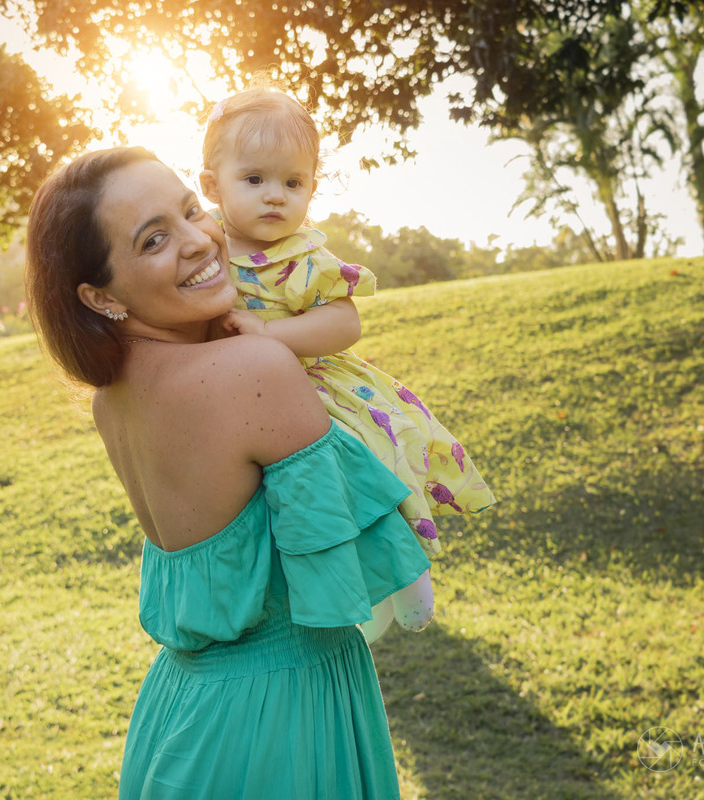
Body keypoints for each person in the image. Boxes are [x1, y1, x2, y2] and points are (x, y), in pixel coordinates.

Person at [25, 146, 430, 799]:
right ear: (100, 296)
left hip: (177, 705)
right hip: (281, 715)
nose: (198, 240)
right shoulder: (253, 369)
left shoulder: (112, 400)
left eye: (191, 211)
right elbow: (355, 567)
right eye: (154, 239)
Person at [198, 87, 495, 639]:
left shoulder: (303, 256)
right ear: (212, 186)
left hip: (312, 387)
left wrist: (270, 333)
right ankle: (330, 593)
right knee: (282, 505)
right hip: (236, 401)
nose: (275, 196)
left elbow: (344, 323)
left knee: (359, 466)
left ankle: (408, 570)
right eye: (254, 179)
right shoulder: (200, 248)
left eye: (293, 183)